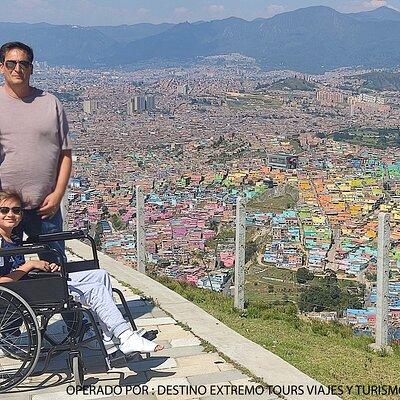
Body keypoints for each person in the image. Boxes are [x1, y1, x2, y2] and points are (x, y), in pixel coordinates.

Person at [0, 190, 163, 355]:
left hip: (28, 284)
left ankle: (107, 335)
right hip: (21, 293)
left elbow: (15, 270)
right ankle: (126, 336)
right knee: (95, 290)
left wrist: (42, 266)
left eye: (16, 210)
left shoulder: (12, 238)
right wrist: (30, 265)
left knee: (100, 275)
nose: (11, 214)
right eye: (4, 210)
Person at [0, 41, 71, 261]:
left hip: (45, 206)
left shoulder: (51, 103)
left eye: (23, 63)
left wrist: (58, 194)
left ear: (32, 67)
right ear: (1, 66)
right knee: (9, 274)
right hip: (6, 210)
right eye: (11, 63)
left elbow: (65, 154)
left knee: (55, 267)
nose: (17, 69)